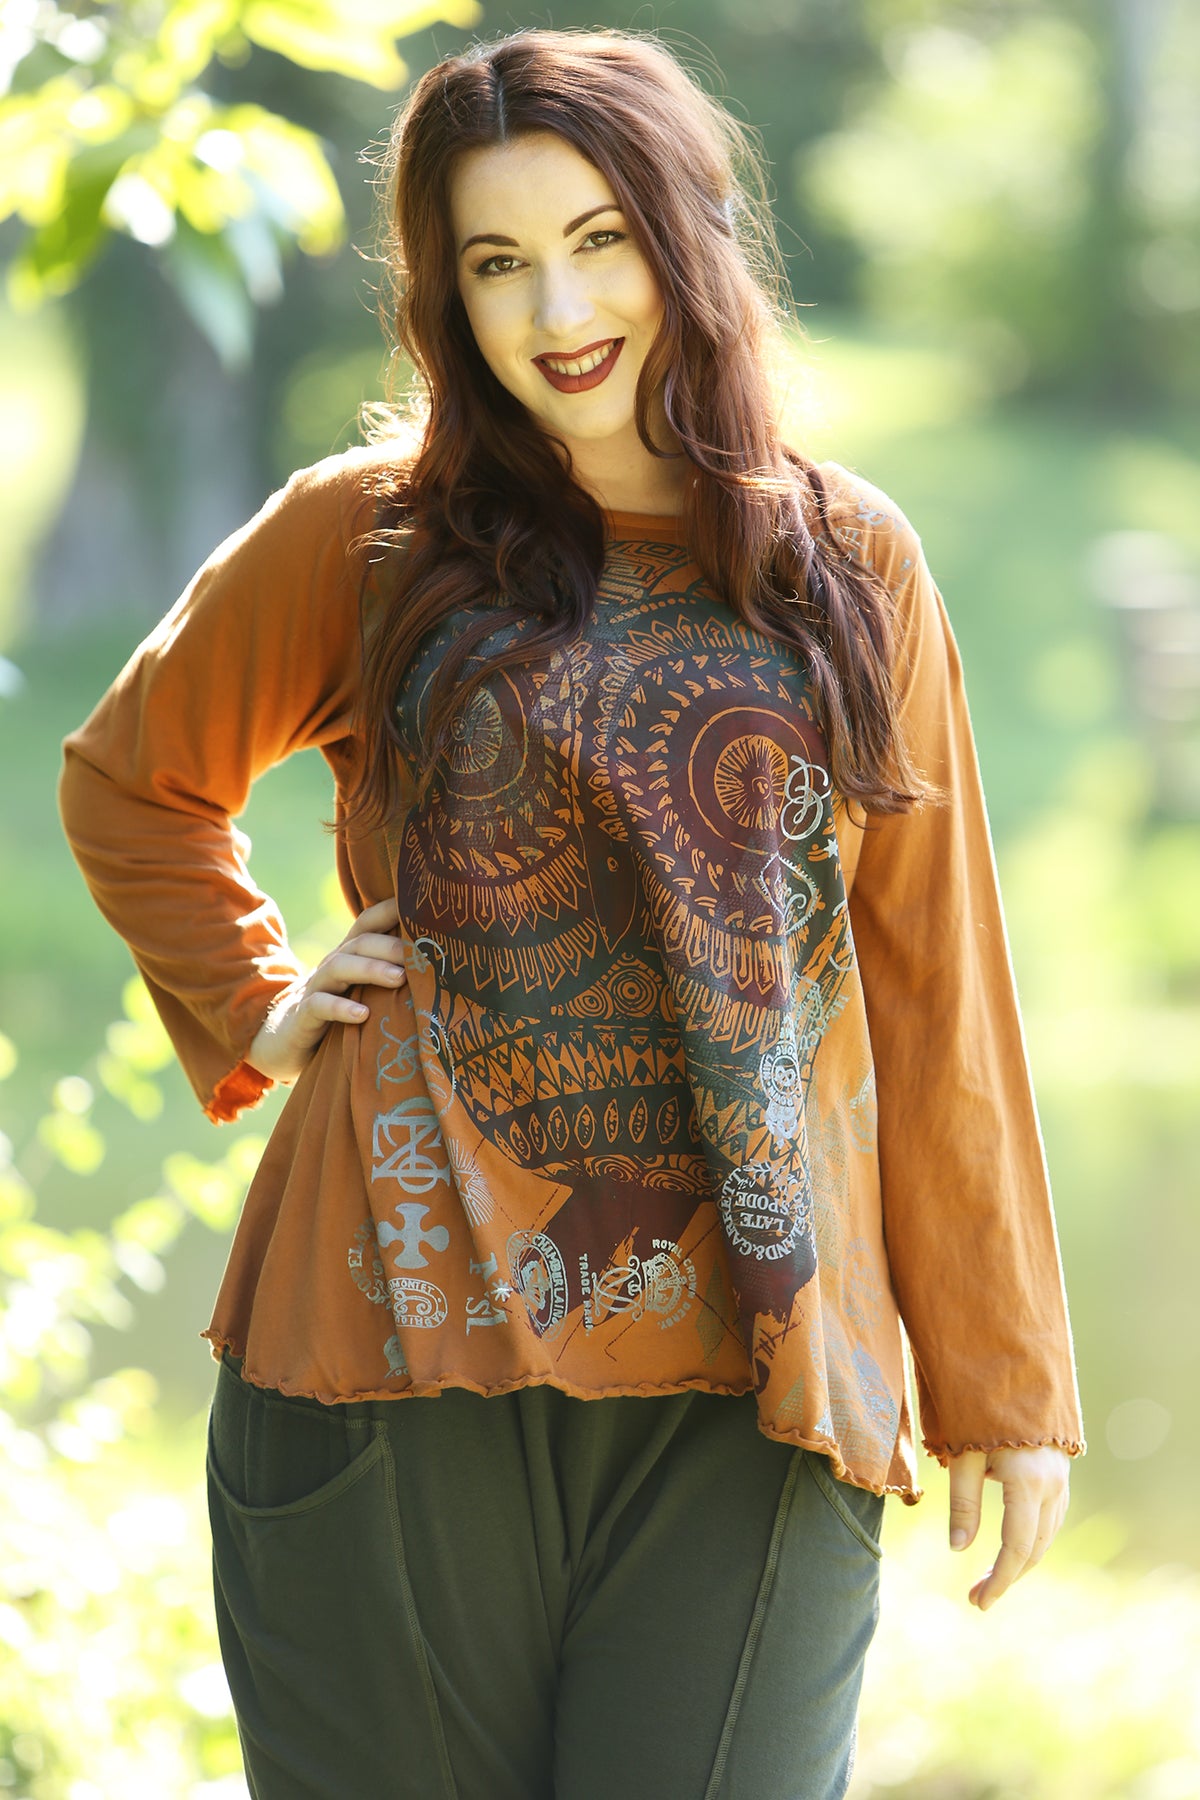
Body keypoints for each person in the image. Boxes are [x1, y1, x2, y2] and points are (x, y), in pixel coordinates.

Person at [60, 27, 1084, 1800]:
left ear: (687, 235)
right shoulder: (369, 536)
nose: (558, 309)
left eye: (599, 240)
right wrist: (260, 995)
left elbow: (936, 987)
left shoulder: (849, 565)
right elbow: (132, 780)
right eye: (498, 261)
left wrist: (1003, 1381)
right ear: (445, 294)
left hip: (763, 1371)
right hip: (390, 1346)